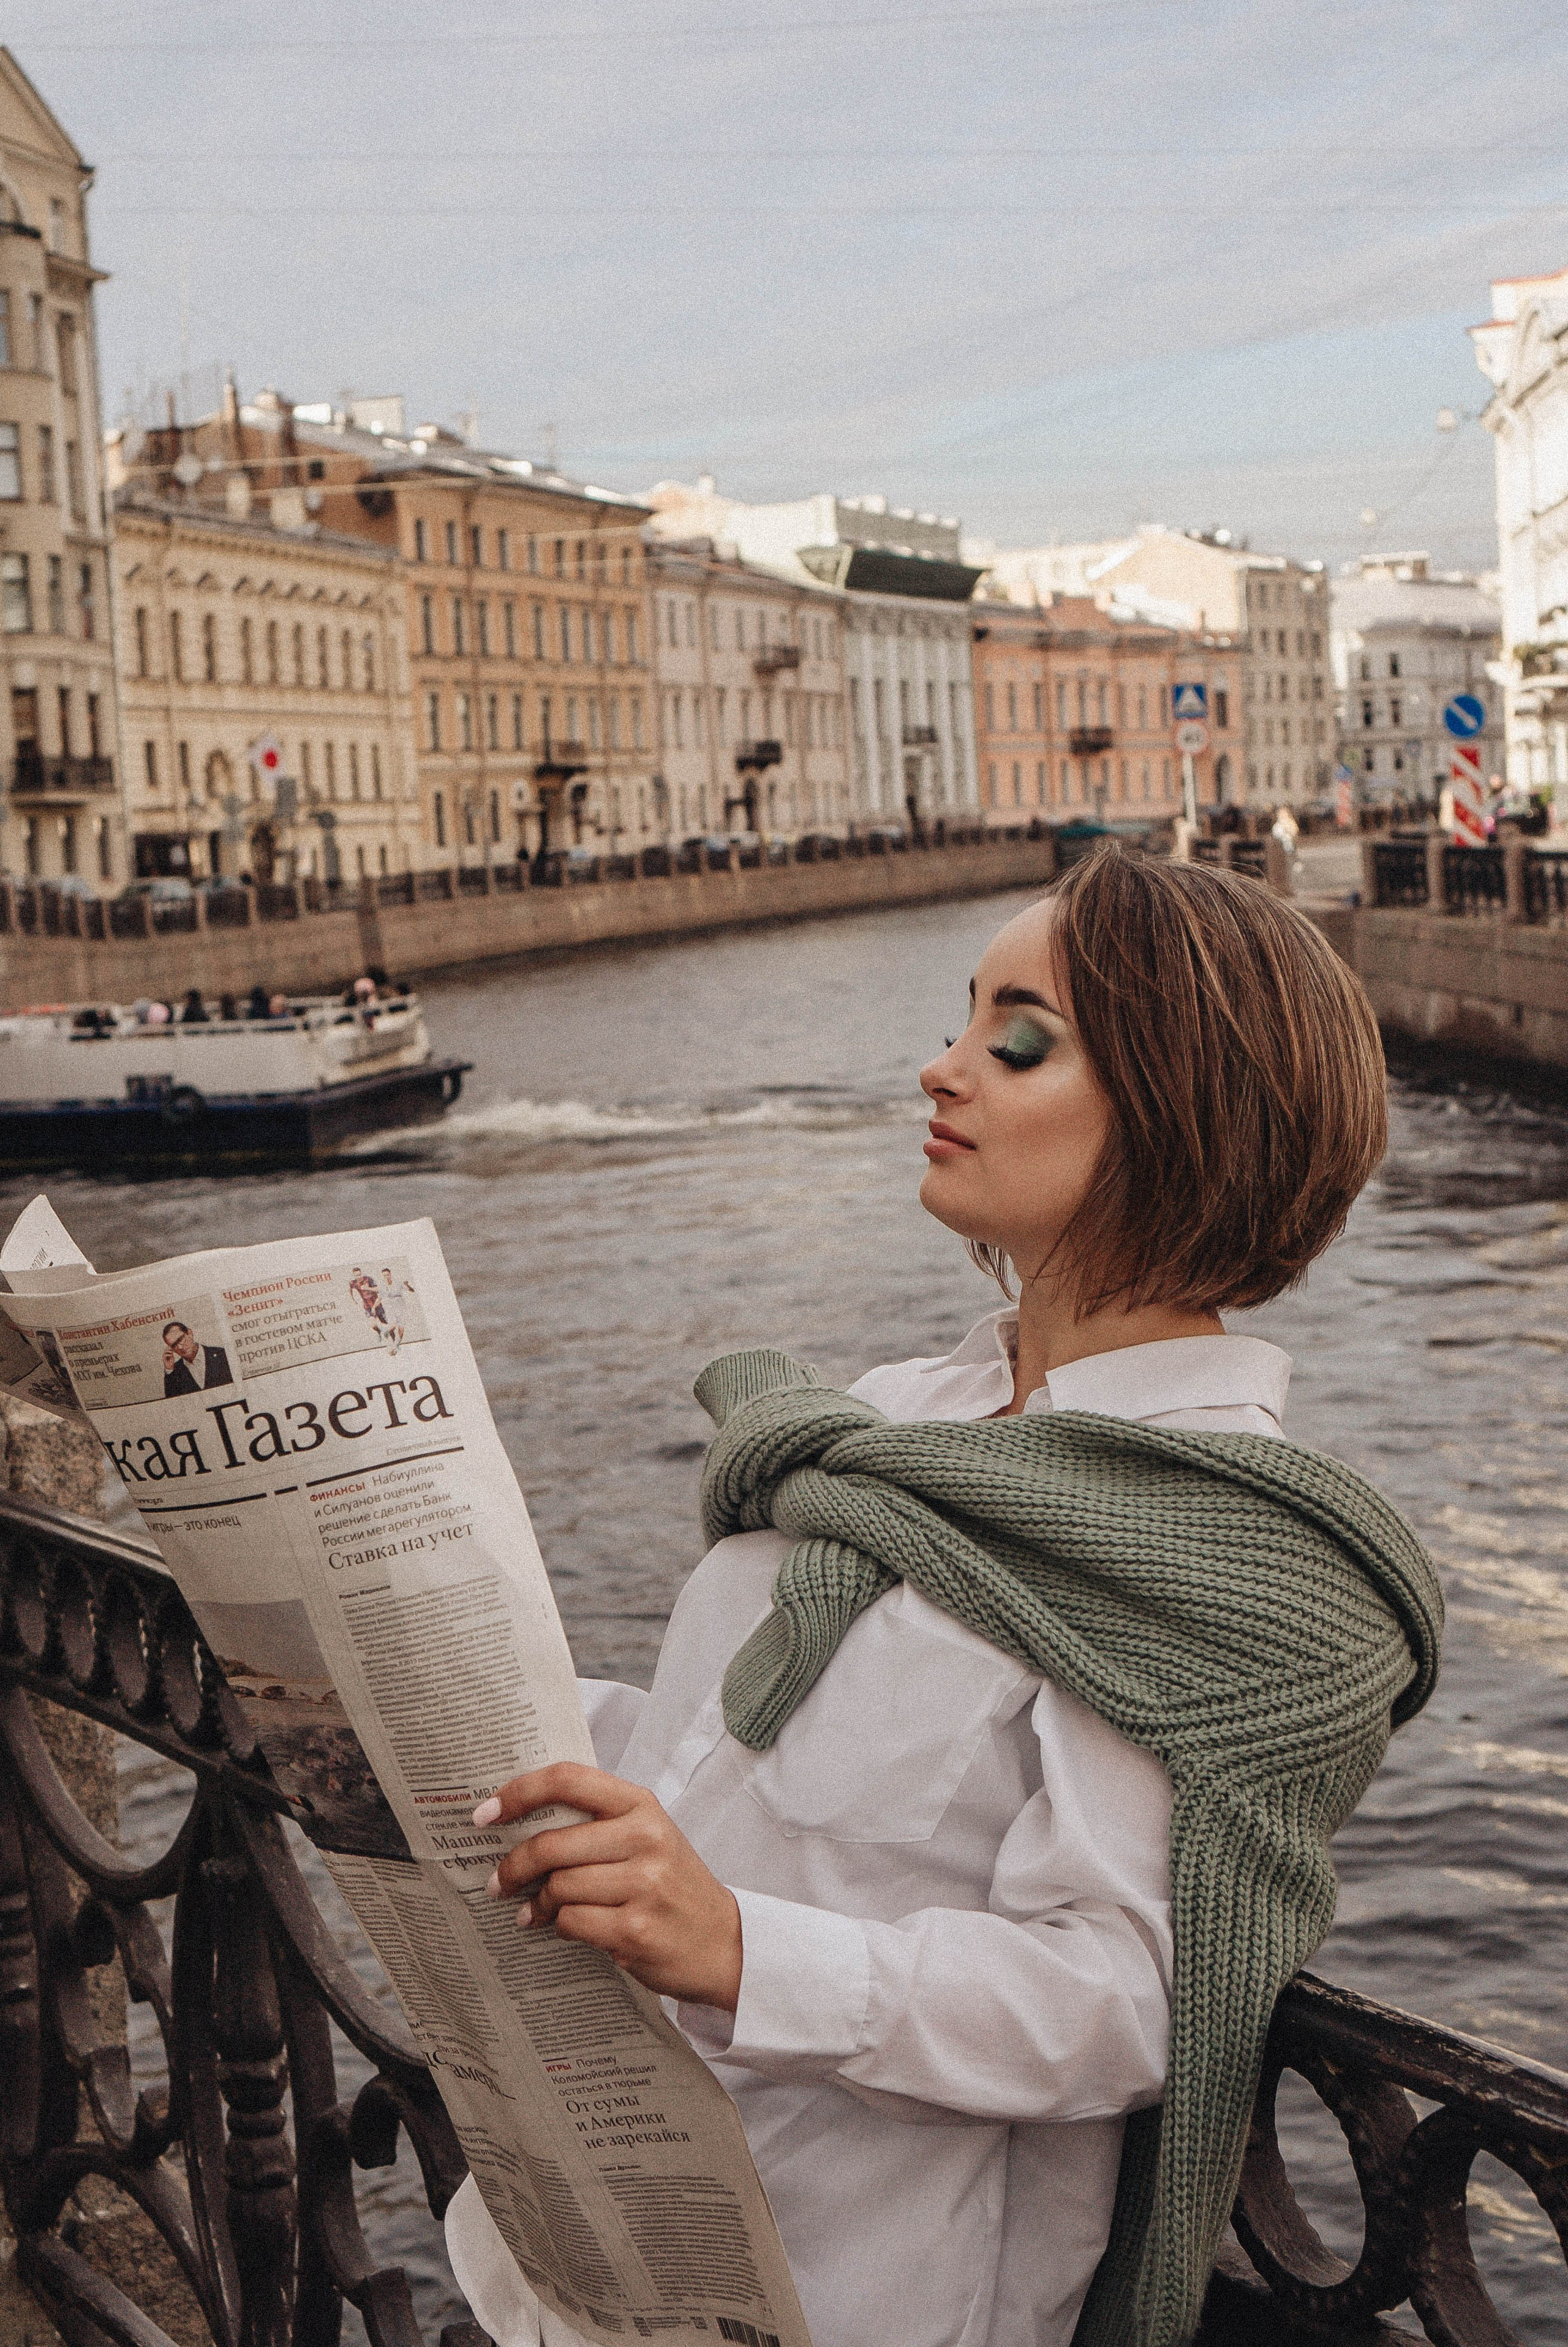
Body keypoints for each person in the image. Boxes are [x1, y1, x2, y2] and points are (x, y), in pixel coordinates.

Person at [445, 850, 1442, 2347]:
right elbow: (742, 1769)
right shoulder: (893, 1420)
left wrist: (738, 1948)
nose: (942, 1064)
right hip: (580, 2246)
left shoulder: (1218, 1544)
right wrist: (463, 1706)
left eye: (1016, 1037)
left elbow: (1124, 2001)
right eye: (961, 1018)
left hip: (848, 2294)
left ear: (1180, 1104)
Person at [160, 1320, 233, 1398]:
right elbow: (174, 1403)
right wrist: (169, 1370)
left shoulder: (222, 1354)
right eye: (174, 1345)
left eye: (180, 1339)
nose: (180, 1347)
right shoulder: (175, 1371)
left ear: (190, 1333)